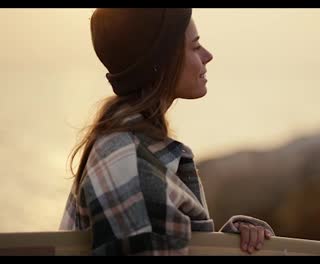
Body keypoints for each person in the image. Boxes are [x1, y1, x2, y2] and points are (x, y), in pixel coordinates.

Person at [59, 8, 275, 256]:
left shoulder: (138, 146)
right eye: (195, 47)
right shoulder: (126, 163)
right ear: (162, 62)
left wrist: (226, 245)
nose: (208, 55)